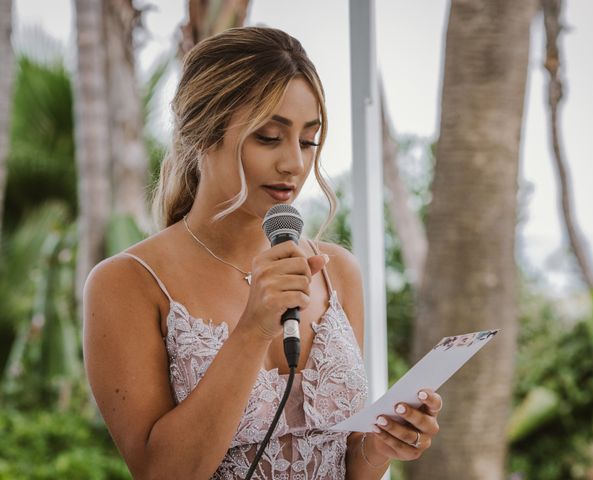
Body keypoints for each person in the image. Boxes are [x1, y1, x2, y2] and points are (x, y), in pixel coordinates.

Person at [83, 26, 442, 479]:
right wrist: (253, 328)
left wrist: (382, 445)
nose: (294, 163)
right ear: (202, 134)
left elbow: (351, 465)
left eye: (308, 140)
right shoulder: (127, 282)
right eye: (269, 137)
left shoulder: (338, 273)